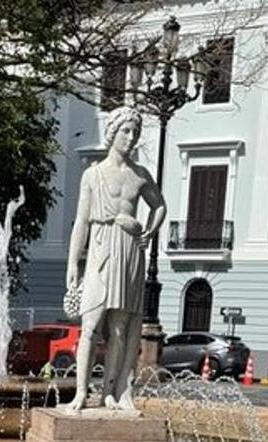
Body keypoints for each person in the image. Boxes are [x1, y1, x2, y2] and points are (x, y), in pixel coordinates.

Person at [64, 105, 165, 411]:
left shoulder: (140, 175)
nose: (131, 137)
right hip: (100, 246)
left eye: (135, 132)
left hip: (129, 249)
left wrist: (148, 232)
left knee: (120, 329)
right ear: (112, 132)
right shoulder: (93, 175)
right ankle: (81, 392)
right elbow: (81, 221)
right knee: (90, 325)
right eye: (126, 131)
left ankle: (111, 392)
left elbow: (159, 206)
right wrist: (73, 262)